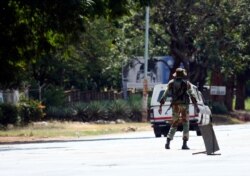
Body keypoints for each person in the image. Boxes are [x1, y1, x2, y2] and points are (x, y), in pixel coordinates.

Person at [158, 68, 199, 150]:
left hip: (175, 106)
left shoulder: (171, 83)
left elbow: (165, 95)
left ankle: (168, 141)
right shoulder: (187, 84)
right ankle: (184, 144)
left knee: (174, 124)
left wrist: (160, 106)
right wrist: (196, 106)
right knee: (186, 124)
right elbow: (192, 95)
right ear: (183, 75)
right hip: (185, 106)